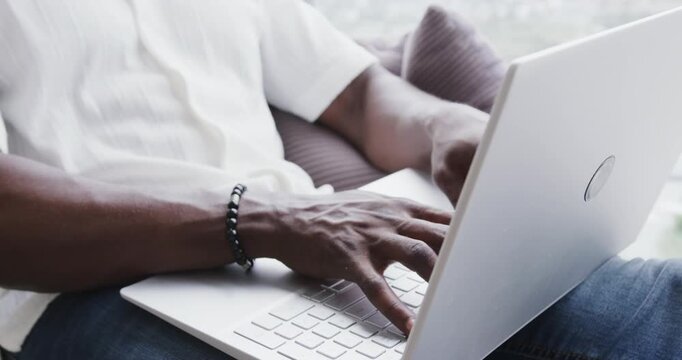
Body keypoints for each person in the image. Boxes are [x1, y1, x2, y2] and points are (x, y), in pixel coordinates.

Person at [0, 1, 680, 359]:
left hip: (313, 245)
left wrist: (443, 124)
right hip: (97, 289)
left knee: (660, 307)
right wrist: (270, 221)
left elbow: (356, 95)